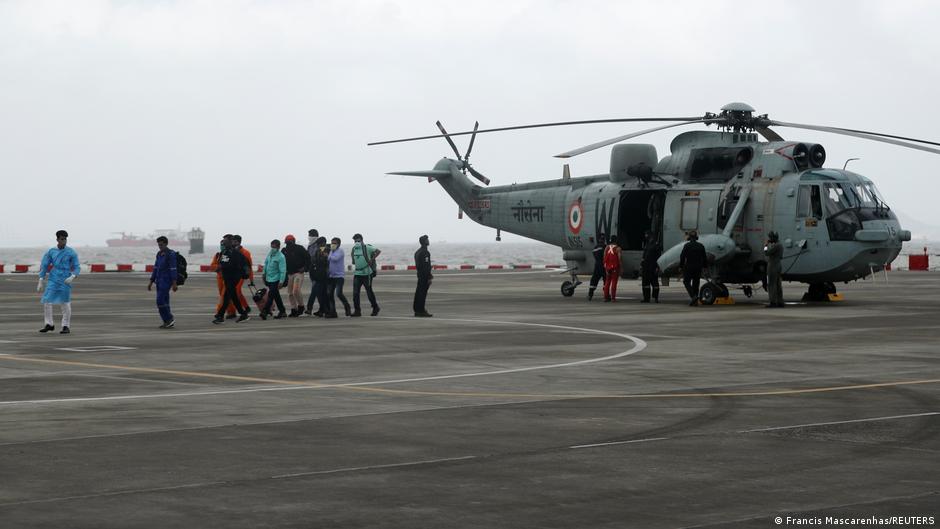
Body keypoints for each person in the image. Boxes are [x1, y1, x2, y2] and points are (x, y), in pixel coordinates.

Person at [37, 230, 80, 334]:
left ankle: (66, 326)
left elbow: (77, 266)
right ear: (57, 239)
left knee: (65, 303)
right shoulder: (51, 251)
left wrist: (73, 276)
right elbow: (44, 265)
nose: (64, 241)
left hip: (65, 279)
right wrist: (41, 280)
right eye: (61, 239)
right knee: (47, 301)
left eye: (65, 239)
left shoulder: (71, 252)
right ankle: (49, 324)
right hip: (53, 278)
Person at [213, 235, 250, 324]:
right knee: (233, 296)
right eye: (223, 240)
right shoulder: (224, 252)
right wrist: (219, 267)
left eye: (225, 240)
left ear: (230, 241)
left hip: (234, 277)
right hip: (227, 277)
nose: (223, 242)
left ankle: (220, 316)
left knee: (227, 296)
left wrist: (222, 266)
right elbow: (222, 262)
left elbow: (232, 265)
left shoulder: (235, 253)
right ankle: (243, 314)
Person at [147, 236, 178, 328]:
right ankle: (167, 322)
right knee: (165, 301)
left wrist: (174, 283)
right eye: (158, 245)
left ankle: (169, 318)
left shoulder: (171, 254)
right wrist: (151, 281)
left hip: (167, 281)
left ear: (166, 244)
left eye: (161, 245)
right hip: (159, 281)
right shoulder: (159, 254)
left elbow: (173, 269)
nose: (160, 246)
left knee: (159, 300)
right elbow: (155, 268)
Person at [350, 233, 381, 316]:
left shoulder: (367, 247)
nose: (356, 242)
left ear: (362, 240)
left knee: (369, 291)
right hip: (357, 273)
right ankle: (357, 311)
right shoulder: (354, 249)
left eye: (358, 240)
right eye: (355, 240)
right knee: (355, 293)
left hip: (367, 273)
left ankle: (375, 307)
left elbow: (378, 251)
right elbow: (353, 261)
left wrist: (372, 259)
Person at [281, 234, 310, 317]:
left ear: (293, 241)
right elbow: (281, 262)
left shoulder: (300, 248)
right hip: (289, 273)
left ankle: (301, 306)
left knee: (296, 290)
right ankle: (294, 309)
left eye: (290, 241)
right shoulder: (284, 250)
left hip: (298, 273)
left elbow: (308, 258)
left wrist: (304, 268)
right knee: (290, 293)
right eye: (287, 242)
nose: (288, 243)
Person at [261, 239, 288, 319]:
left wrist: (281, 281)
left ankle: (265, 311)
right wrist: (263, 274)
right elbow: (266, 264)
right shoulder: (270, 254)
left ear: (278, 247)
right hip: (269, 278)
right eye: (271, 246)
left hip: (276, 279)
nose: (273, 248)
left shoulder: (281, 257)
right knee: (276, 296)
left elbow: (283, 270)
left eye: (274, 247)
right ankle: (282, 311)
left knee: (271, 295)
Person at [679, 230, 707, 306]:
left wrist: (681, 266)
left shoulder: (687, 246)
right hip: (698, 267)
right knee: (696, 283)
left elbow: (682, 257)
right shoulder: (701, 246)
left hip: (689, 267)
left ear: (689, 238)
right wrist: (705, 267)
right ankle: (695, 301)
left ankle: (693, 297)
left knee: (686, 282)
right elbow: (704, 258)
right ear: (696, 237)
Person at [230, 235, 255, 318]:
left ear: (238, 242)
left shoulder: (246, 253)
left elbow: (249, 267)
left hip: (241, 275)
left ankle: (240, 310)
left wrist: (251, 279)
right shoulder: (231, 251)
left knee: (236, 291)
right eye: (232, 241)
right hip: (233, 274)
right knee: (237, 292)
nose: (232, 243)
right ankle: (246, 307)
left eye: (234, 241)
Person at [327, 237, 351, 317]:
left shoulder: (340, 251)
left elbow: (335, 259)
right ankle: (333, 312)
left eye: (334, 243)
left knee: (339, 293)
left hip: (339, 276)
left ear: (338, 244)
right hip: (331, 276)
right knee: (330, 294)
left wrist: (328, 256)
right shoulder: (331, 251)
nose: (332, 245)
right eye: (332, 243)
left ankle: (347, 307)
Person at [309, 237, 330, 317]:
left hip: (325, 275)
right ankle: (322, 309)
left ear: (323, 243)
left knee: (324, 294)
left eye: (320, 244)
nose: (319, 246)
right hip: (318, 275)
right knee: (320, 293)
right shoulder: (318, 251)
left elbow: (327, 262)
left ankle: (326, 310)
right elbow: (314, 261)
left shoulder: (327, 250)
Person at [413, 234, 433, 317]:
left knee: (418, 293)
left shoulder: (417, 252)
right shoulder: (425, 252)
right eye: (427, 240)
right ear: (424, 242)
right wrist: (429, 276)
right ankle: (421, 310)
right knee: (422, 293)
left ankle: (417, 309)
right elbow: (426, 265)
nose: (428, 241)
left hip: (419, 274)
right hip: (424, 276)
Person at [764, 231, 784, 308]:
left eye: (770, 238)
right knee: (778, 284)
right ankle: (780, 301)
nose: (769, 239)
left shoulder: (776, 246)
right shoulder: (780, 245)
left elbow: (766, 253)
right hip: (778, 265)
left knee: (771, 284)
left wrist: (765, 245)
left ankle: (773, 302)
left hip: (772, 266)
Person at [640, 231, 662, 303]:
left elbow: (659, 257)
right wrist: (641, 265)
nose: (646, 236)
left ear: (651, 236)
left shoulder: (656, 245)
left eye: (647, 235)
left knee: (655, 283)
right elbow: (644, 256)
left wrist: (657, 267)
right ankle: (646, 298)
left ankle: (655, 297)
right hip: (646, 267)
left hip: (653, 266)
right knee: (645, 283)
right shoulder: (647, 244)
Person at [305, 228, 321, 315]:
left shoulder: (319, 245)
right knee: (317, 290)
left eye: (310, 235)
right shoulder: (310, 245)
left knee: (315, 289)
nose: (309, 237)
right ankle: (322, 309)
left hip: (318, 270)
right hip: (311, 270)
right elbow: (308, 257)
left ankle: (309, 308)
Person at [587, 234, 607, 301]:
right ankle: (606, 295)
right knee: (605, 280)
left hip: (597, 265)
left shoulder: (595, 248)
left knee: (594, 279)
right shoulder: (605, 247)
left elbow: (595, 255)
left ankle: (590, 294)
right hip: (603, 265)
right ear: (604, 240)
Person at [602, 236, 622, 302]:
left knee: (607, 282)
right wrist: (621, 267)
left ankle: (605, 297)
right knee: (614, 282)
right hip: (615, 267)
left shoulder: (607, 247)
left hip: (607, 267)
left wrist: (605, 266)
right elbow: (619, 258)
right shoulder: (618, 248)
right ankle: (613, 298)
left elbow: (604, 257)